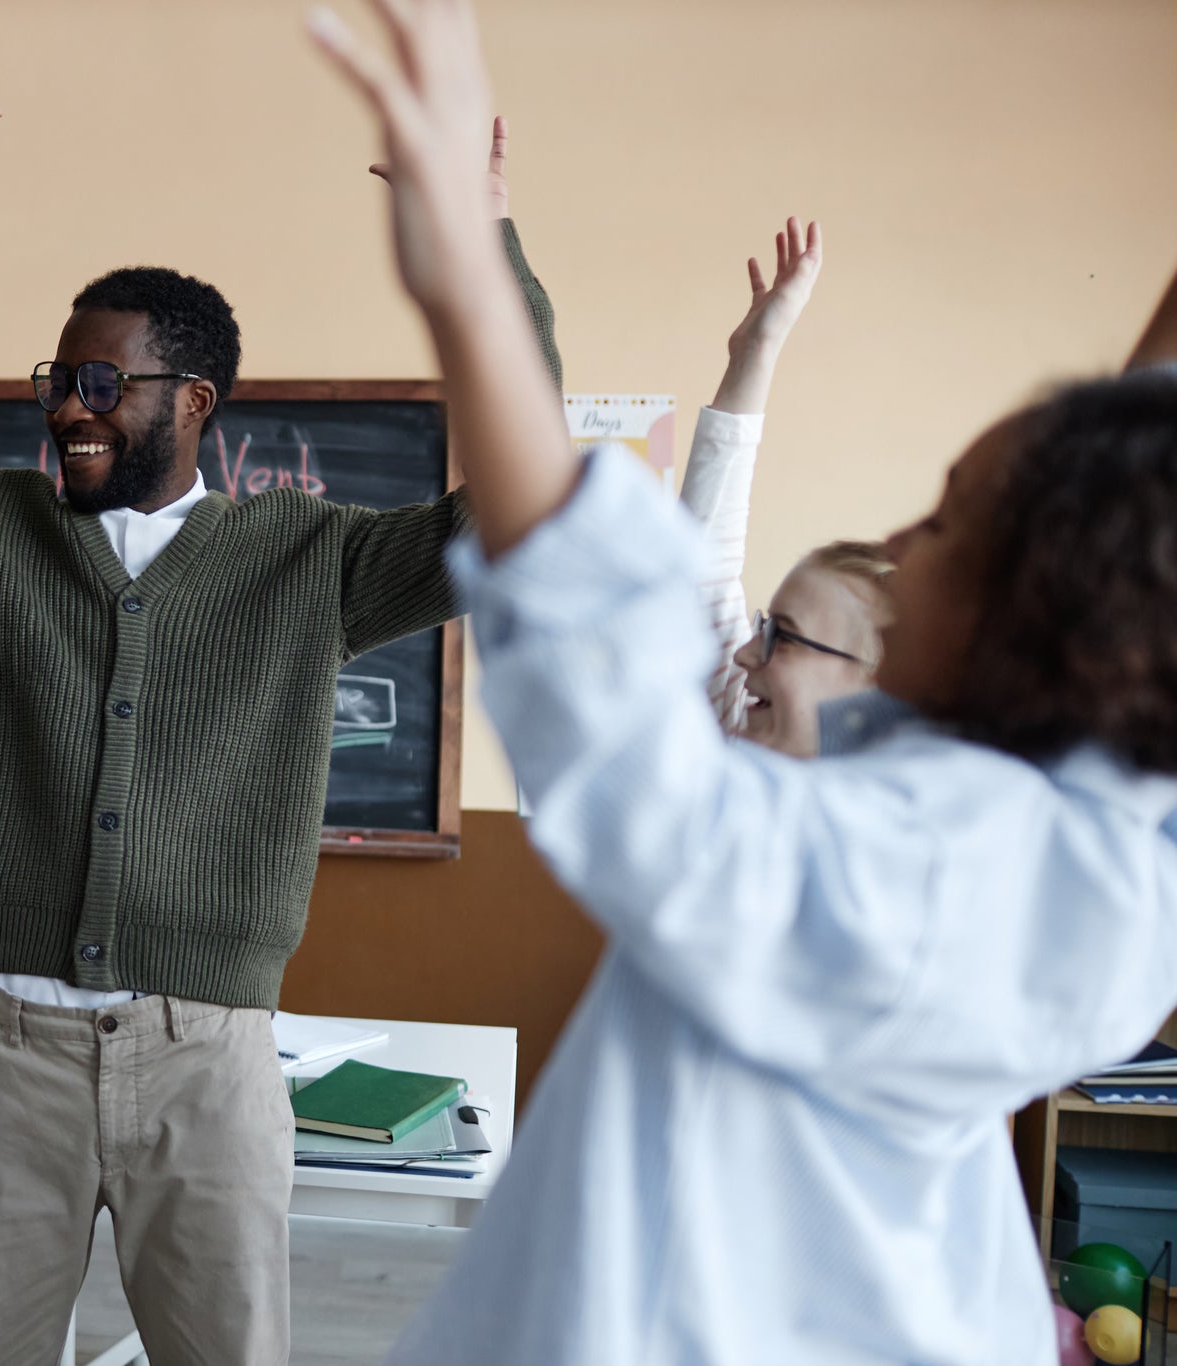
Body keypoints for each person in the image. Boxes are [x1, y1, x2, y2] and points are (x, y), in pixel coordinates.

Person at [310, 2, 1177, 1362]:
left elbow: (614, 707)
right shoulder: (1100, 827)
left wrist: (468, 288)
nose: (898, 541)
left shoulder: (888, 883)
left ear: (1035, 623)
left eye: (941, 527)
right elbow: (1137, 494)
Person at [0, 24, 560, 1364]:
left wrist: (479, 252)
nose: (71, 408)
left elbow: (523, 510)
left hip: (211, 1060)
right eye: (61, 381)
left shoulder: (312, 559)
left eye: (106, 384)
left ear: (199, 401)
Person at [677, 215, 896, 755]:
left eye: (784, 637)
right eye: (764, 627)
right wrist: (757, 351)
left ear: (882, 687)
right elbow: (701, 565)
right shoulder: (735, 735)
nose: (745, 655)